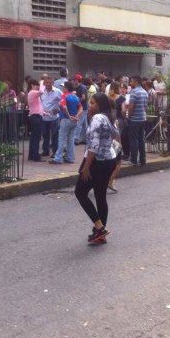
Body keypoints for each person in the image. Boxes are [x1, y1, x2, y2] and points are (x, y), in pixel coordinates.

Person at [75, 92, 118, 245]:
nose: (90, 105)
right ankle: (101, 234)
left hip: (96, 161)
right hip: (109, 159)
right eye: (90, 103)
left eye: (93, 103)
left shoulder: (98, 118)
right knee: (100, 196)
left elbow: (93, 146)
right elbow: (116, 136)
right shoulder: (109, 117)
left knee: (80, 192)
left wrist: (86, 167)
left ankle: (100, 228)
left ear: (100, 105)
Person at [50, 81, 82, 165]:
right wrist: (77, 116)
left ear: (66, 88)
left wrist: (68, 116)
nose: (63, 88)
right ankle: (70, 157)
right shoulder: (75, 97)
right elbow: (80, 107)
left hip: (65, 120)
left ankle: (58, 158)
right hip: (74, 121)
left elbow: (64, 107)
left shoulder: (64, 96)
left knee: (61, 139)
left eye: (64, 87)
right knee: (70, 139)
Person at [128, 76, 147, 167]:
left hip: (134, 119)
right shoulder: (144, 92)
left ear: (135, 82)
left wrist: (129, 116)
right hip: (142, 118)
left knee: (134, 139)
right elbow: (146, 107)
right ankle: (143, 159)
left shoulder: (134, 92)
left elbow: (131, 107)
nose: (130, 83)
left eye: (131, 81)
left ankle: (133, 160)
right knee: (141, 139)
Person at [40, 76, 61, 158]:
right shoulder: (42, 92)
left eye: (50, 83)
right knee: (45, 135)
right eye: (47, 83)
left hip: (54, 118)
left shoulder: (57, 91)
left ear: (53, 83)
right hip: (44, 118)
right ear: (44, 83)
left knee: (55, 135)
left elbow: (63, 100)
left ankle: (55, 151)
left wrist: (58, 109)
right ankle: (46, 150)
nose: (48, 84)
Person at [26, 78, 44, 161]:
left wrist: (44, 112)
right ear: (32, 85)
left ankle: (32, 155)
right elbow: (41, 92)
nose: (37, 87)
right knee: (36, 137)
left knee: (34, 137)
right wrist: (41, 84)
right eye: (36, 85)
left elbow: (37, 106)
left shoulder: (32, 93)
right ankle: (35, 156)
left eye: (38, 85)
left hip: (35, 116)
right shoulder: (33, 92)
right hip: (36, 117)